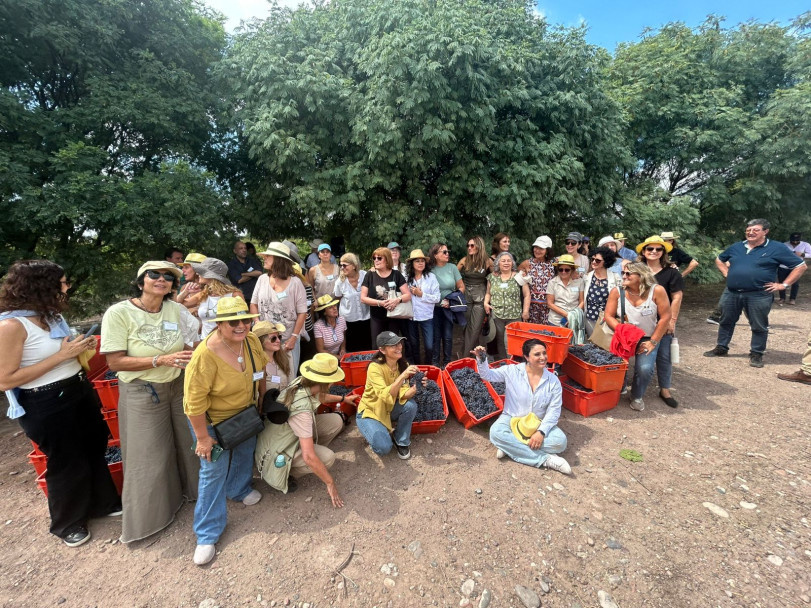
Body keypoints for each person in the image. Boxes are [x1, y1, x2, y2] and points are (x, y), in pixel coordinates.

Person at [0, 260, 121, 547]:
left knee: (95, 447)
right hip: (44, 400)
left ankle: (103, 503)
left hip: (77, 388)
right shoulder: (11, 326)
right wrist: (62, 356)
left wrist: (80, 348)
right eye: (63, 283)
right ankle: (68, 522)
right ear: (43, 286)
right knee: (65, 459)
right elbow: (5, 379)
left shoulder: (51, 317)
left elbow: (65, 352)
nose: (67, 287)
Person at [101, 261, 200, 543]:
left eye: (168, 277)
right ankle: (150, 520)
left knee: (189, 443)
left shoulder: (173, 309)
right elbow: (115, 361)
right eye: (154, 274)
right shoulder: (119, 313)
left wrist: (191, 356)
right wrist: (160, 360)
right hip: (142, 389)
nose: (161, 279)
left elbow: (187, 343)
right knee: (148, 454)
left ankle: (195, 494)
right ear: (140, 281)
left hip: (177, 384)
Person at [183, 297, 267, 566]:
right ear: (219, 325)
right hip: (211, 421)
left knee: (245, 450)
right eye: (233, 322)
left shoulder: (251, 341)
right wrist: (203, 438)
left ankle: (239, 489)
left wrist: (261, 403)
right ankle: (207, 533)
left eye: (245, 320)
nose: (241, 325)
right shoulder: (204, 356)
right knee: (212, 470)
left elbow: (261, 372)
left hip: (244, 412)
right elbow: (193, 403)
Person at [704, 219, 807, 367]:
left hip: (759, 294)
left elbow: (800, 266)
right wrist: (726, 272)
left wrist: (783, 285)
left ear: (765, 231)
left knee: (759, 325)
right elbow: (719, 259)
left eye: (755, 230)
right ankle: (721, 347)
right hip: (732, 292)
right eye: (748, 230)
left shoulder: (776, 248)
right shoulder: (737, 246)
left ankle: (756, 353)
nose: (750, 233)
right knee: (726, 321)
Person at [254, 353, 356, 502]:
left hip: (282, 436)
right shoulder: (302, 411)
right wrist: (330, 483)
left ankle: (309, 451)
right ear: (326, 383)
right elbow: (308, 457)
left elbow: (319, 396)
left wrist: (343, 398)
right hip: (274, 453)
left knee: (335, 422)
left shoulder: (302, 382)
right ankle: (286, 473)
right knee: (327, 458)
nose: (334, 383)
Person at [472, 340, 571, 474]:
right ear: (526, 357)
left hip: (537, 423)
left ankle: (510, 447)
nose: (543, 357)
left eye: (544, 353)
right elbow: (487, 375)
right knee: (495, 433)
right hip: (512, 418)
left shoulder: (553, 381)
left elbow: (554, 411)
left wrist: (541, 432)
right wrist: (481, 358)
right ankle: (545, 459)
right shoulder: (512, 371)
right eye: (537, 354)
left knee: (560, 442)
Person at [604, 263, 671, 411]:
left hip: (648, 337)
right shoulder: (617, 291)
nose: (624, 276)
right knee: (618, 365)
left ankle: (637, 396)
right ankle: (620, 387)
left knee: (645, 368)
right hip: (624, 336)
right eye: (623, 273)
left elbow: (666, 316)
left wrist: (653, 341)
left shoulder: (657, 291)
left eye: (628, 274)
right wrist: (622, 330)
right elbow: (608, 315)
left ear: (641, 276)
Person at [356, 332, 419, 459]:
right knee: (383, 447)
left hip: (388, 409)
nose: (399, 347)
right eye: (393, 345)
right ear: (382, 350)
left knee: (410, 406)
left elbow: (403, 394)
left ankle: (401, 440)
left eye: (399, 343)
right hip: (371, 412)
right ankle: (374, 428)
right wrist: (403, 376)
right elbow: (385, 395)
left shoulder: (402, 365)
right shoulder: (375, 368)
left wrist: (416, 388)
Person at [637, 235, 684, 407]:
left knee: (664, 356)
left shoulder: (671, 272)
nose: (654, 251)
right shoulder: (637, 271)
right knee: (641, 357)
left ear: (663, 252)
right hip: (639, 321)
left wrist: (672, 320)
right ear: (644, 251)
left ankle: (665, 389)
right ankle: (633, 389)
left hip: (662, 321)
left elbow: (677, 297)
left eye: (658, 249)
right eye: (650, 248)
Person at [250, 242, 308, 374]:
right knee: (266, 376)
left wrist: (293, 337)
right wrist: (258, 323)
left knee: (288, 374)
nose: (264, 258)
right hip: (265, 340)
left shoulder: (295, 283)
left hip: (287, 341)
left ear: (278, 260)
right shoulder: (262, 279)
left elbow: (302, 313)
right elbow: (253, 304)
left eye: (268, 256)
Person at [360, 247, 411, 345]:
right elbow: (363, 298)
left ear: (387, 260)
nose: (376, 260)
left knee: (392, 345)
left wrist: (397, 300)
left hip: (394, 316)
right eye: (374, 258)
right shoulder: (370, 275)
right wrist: (380, 303)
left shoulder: (396, 274)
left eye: (379, 258)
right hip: (376, 317)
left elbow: (408, 295)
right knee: (377, 345)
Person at [484, 252, 530, 361]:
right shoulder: (492, 277)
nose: (506, 263)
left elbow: (527, 294)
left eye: (509, 261)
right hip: (497, 315)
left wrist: (525, 311)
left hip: (514, 316)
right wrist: (486, 303)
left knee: (509, 342)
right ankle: (503, 363)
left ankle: (512, 363)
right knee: (499, 341)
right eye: (503, 261)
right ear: (498, 263)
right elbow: (488, 293)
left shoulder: (519, 276)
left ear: (512, 263)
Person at [429, 243, 465, 367]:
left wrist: (452, 301)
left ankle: (447, 364)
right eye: (444, 252)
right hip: (433, 308)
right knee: (435, 337)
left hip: (448, 308)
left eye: (447, 251)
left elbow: (461, 287)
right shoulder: (429, 269)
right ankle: (435, 365)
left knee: (448, 337)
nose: (447, 254)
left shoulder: (452, 267)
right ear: (435, 255)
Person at [457, 236, 493, 356]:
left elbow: (495, 278)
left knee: (475, 328)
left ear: (479, 246)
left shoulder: (487, 261)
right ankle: (474, 356)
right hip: (466, 297)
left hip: (480, 298)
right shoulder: (464, 260)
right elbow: (454, 276)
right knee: (465, 327)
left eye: (472, 245)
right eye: (468, 245)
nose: (469, 248)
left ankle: (465, 356)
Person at [192, 258, 243, 339]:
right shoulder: (204, 294)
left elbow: (242, 319)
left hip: (226, 341)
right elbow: (178, 303)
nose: (198, 274)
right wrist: (185, 292)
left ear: (211, 276)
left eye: (202, 272)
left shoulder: (234, 295)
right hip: (204, 341)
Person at [405, 249, 440, 364]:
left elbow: (437, 298)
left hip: (427, 316)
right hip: (411, 316)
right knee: (414, 345)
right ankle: (417, 368)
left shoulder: (431, 277)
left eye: (422, 261)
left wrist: (421, 294)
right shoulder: (407, 278)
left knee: (429, 346)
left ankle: (428, 366)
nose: (420, 263)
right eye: (417, 261)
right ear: (412, 264)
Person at [333, 252, 371, 352]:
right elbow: (337, 298)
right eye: (340, 265)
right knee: (353, 348)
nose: (342, 268)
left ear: (354, 265)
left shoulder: (365, 275)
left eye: (345, 265)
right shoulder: (340, 281)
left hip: (366, 316)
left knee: (367, 346)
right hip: (349, 319)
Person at [582, 246, 621, 335]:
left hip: (607, 320)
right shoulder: (587, 277)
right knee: (591, 342)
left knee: (606, 343)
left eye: (598, 260)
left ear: (606, 262)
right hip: (590, 318)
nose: (594, 262)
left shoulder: (615, 278)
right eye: (592, 259)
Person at [518, 236, 555, 325]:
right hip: (531, 306)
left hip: (548, 306)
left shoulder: (554, 264)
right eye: (536, 247)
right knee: (531, 330)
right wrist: (522, 274)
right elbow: (516, 276)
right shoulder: (527, 263)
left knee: (547, 331)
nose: (537, 250)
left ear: (547, 250)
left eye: (541, 248)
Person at [252, 321, 292, 391]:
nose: (278, 341)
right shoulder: (255, 364)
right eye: (273, 338)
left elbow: (291, 384)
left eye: (279, 337)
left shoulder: (284, 358)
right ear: (261, 341)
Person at [546, 255, 584, 327]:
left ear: (572, 270)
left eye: (567, 270)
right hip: (555, 321)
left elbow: (582, 301)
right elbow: (550, 303)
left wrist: (573, 315)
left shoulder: (579, 282)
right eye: (561, 269)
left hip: (574, 321)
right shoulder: (552, 282)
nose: (563, 272)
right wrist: (567, 315)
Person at [778, 232, 811, 305]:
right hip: (783, 266)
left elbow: (810, 254)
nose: (795, 242)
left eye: (797, 240)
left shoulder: (805, 245)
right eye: (793, 240)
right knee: (781, 282)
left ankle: (792, 299)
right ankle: (782, 298)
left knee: (795, 283)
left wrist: (802, 254)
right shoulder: (784, 245)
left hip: (797, 267)